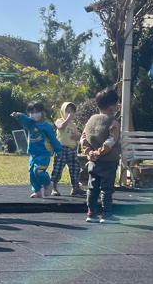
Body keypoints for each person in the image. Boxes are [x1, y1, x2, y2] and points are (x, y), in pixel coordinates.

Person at [81, 87, 121, 223]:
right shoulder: (113, 121)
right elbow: (111, 141)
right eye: (116, 104)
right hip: (108, 162)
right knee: (107, 189)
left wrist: (90, 152)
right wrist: (100, 152)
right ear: (112, 106)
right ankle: (106, 214)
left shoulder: (90, 121)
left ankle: (91, 213)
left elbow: (83, 138)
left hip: (93, 162)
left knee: (92, 188)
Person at [11, 101, 62, 198]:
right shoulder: (30, 123)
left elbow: (53, 139)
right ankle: (37, 191)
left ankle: (48, 183)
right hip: (33, 154)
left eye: (36, 112)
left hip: (44, 154)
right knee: (32, 174)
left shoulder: (47, 126)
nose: (34, 114)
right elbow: (24, 120)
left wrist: (58, 151)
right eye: (32, 112)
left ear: (42, 112)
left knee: (38, 171)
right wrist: (19, 115)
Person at [51, 101, 82, 197]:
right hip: (61, 149)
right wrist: (68, 118)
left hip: (72, 149)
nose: (70, 114)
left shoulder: (73, 125)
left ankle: (75, 187)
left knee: (75, 168)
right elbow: (61, 127)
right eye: (67, 111)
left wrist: (77, 136)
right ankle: (53, 187)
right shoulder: (59, 120)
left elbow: (78, 136)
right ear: (63, 111)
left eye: (72, 112)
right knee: (58, 168)